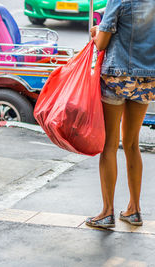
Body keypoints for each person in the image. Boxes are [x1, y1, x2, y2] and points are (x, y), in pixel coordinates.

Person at [85, 0, 155, 228]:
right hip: (146, 77)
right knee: (132, 143)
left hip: (117, 75)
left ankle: (107, 213)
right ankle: (134, 210)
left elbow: (102, 42)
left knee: (110, 145)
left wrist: (95, 33)